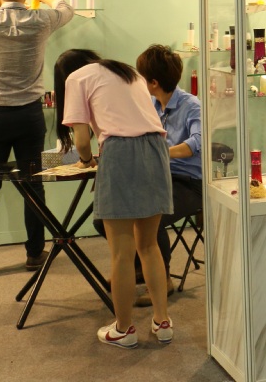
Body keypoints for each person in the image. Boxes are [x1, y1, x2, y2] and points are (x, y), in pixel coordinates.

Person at [56, 49, 174, 348]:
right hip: (156, 149)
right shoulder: (127, 72)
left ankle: (124, 329)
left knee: (121, 252)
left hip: (120, 152)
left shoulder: (75, 78)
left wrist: (86, 161)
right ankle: (162, 322)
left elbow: (82, 141)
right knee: (149, 245)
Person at [0, 0, 73, 277]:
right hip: (29, 115)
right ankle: (34, 254)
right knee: (33, 185)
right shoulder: (41, 19)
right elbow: (67, 9)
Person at [79, 45, 203, 306]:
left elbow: (197, 143)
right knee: (104, 220)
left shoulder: (192, 105)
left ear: (153, 82)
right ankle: (138, 267)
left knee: (150, 216)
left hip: (189, 183)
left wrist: (158, 153)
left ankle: (163, 279)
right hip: (155, 174)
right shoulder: (149, 103)